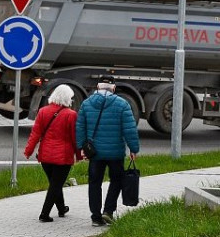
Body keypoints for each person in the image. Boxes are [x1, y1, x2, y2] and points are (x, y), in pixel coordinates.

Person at [76, 75, 140, 227]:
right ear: (114, 88)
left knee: (94, 183)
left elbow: (80, 128)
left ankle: (96, 217)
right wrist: (133, 148)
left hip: (95, 153)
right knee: (116, 180)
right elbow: (129, 129)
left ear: (97, 88)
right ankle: (108, 211)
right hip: (115, 153)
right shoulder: (122, 104)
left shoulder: (86, 104)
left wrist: (82, 148)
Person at [24, 84, 81, 223]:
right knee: (55, 185)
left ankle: (61, 208)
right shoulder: (71, 115)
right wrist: (79, 155)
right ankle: (44, 214)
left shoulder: (43, 111)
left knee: (55, 183)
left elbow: (35, 133)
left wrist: (29, 151)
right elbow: (75, 137)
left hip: (45, 156)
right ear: (68, 98)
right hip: (63, 157)